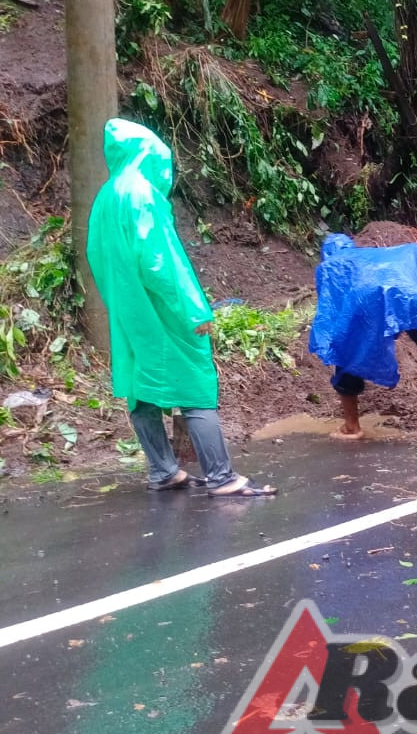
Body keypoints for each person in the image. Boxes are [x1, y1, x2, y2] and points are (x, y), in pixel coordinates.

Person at [85, 119, 276, 497]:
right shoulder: (141, 194)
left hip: (128, 309)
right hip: (161, 309)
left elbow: (95, 254)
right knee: (195, 384)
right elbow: (161, 261)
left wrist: (120, 299)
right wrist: (195, 310)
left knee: (141, 385)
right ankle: (222, 478)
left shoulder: (106, 195)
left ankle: (163, 470)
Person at [308, 234, 417, 442]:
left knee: (347, 354)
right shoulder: (375, 256)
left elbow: (331, 312)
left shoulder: (329, 267)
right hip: (410, 293)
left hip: (367, 302)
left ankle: (352, 427)